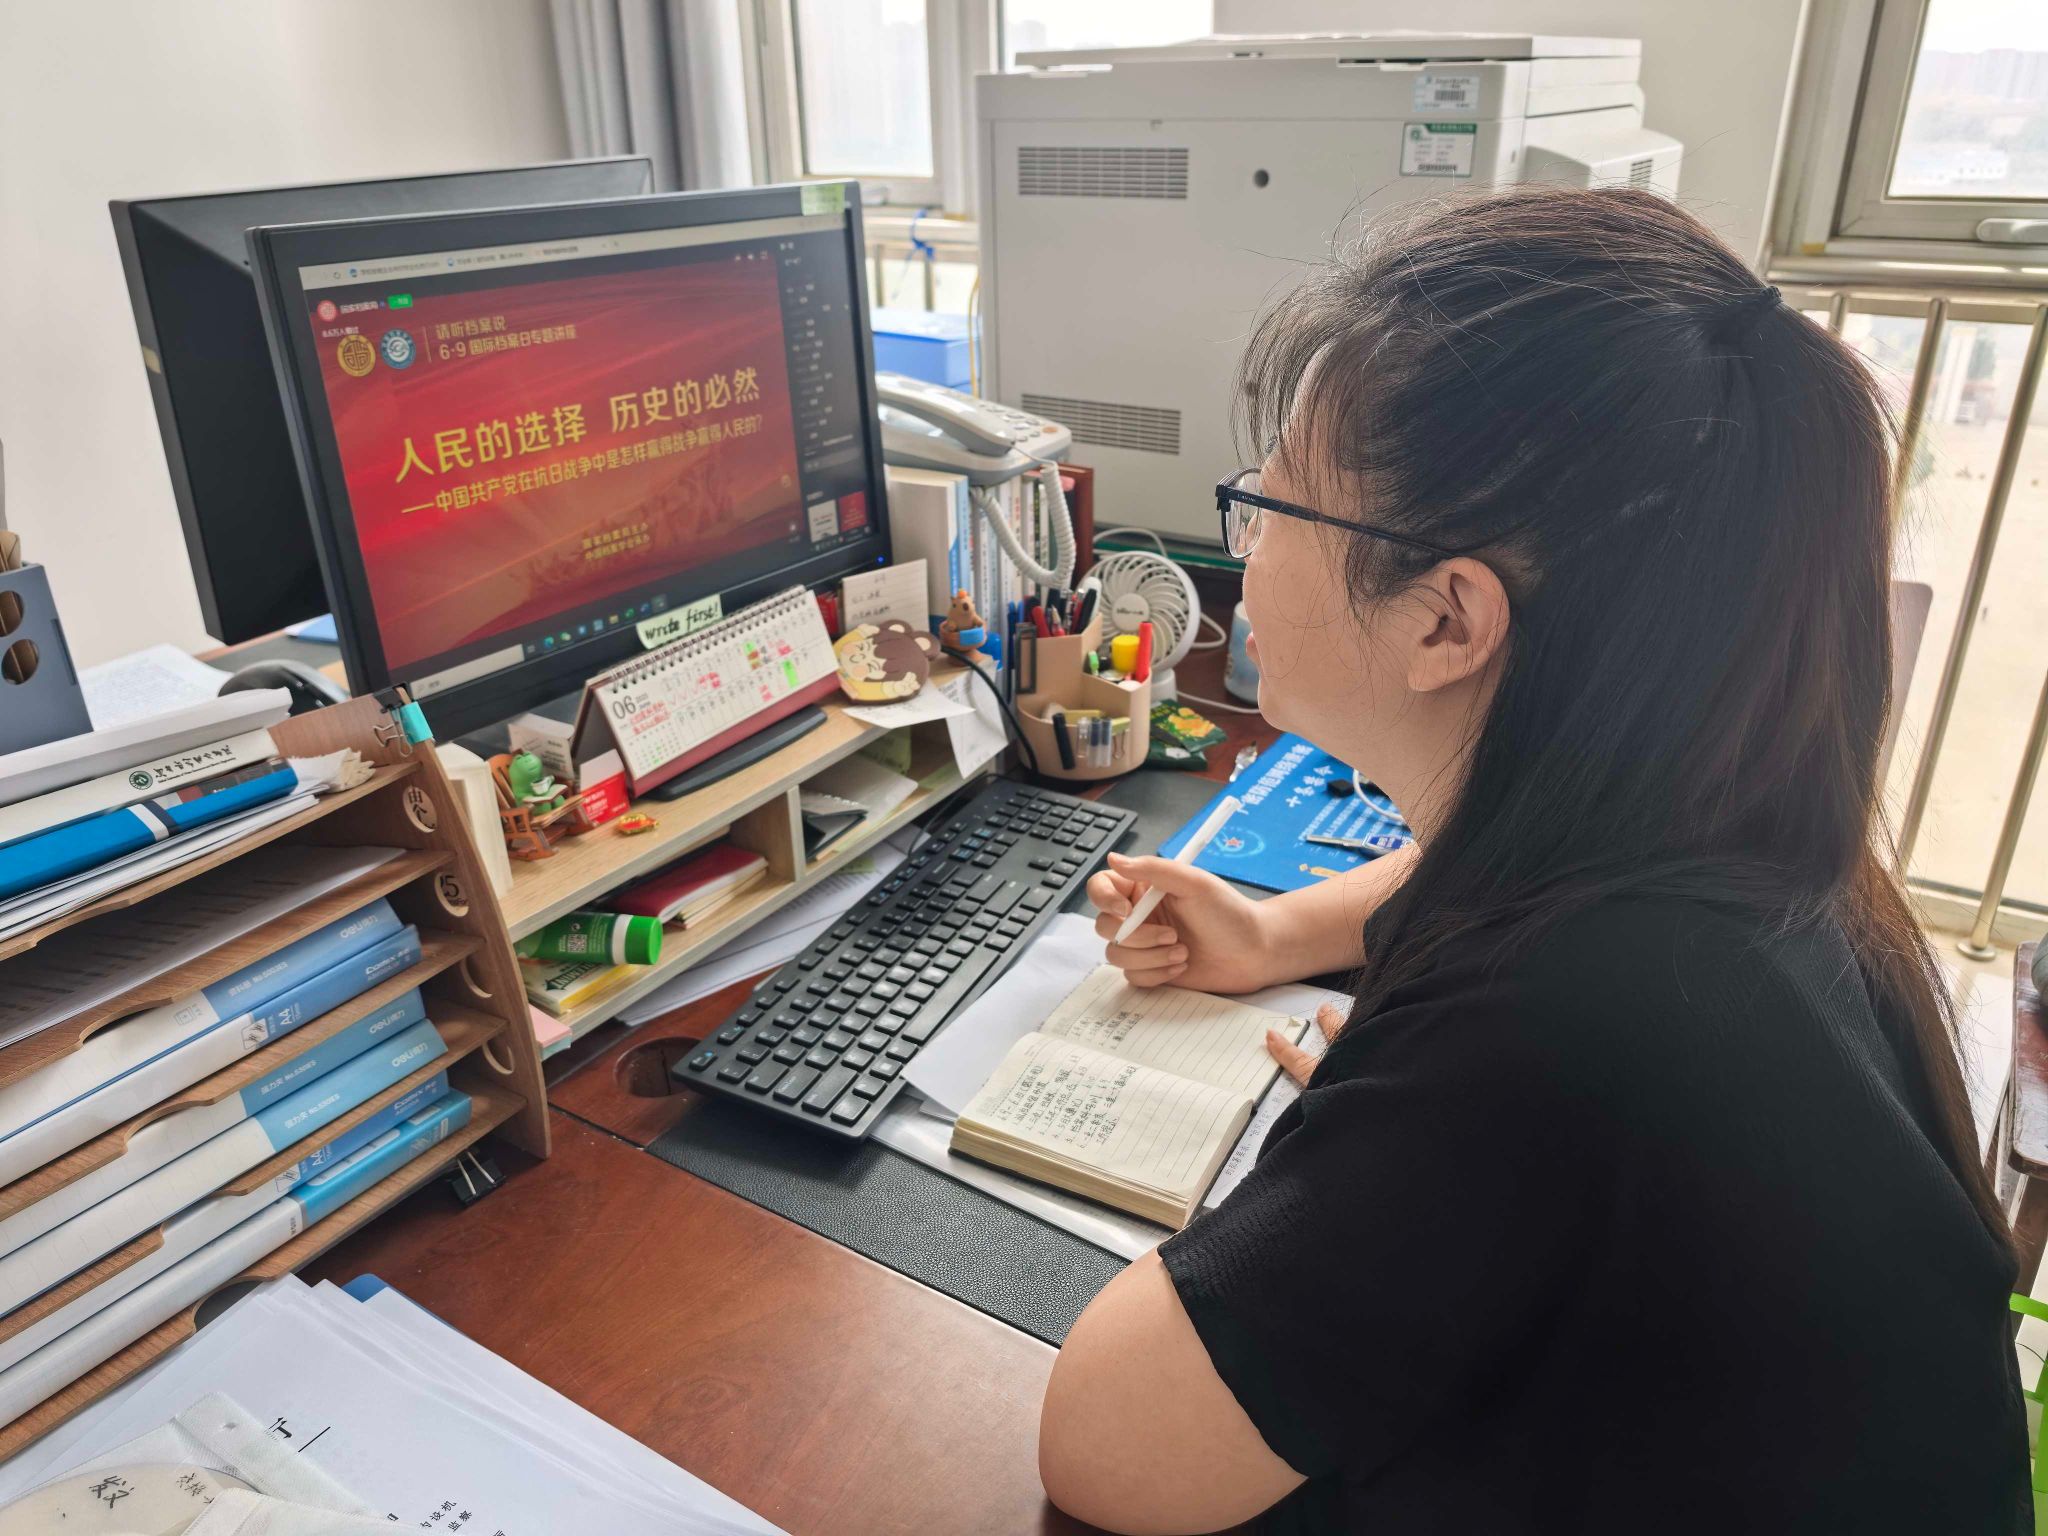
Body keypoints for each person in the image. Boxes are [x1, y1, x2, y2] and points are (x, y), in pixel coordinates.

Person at [1036, 186, 2029, 1534]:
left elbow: (1103, 1448)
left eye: (1268, 501)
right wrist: (1273, 937)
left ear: (1446, 622)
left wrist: (1369, 1180)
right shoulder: (1717, 842)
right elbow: (1494, 874)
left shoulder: (1555, 1029)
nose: (1246, 543)